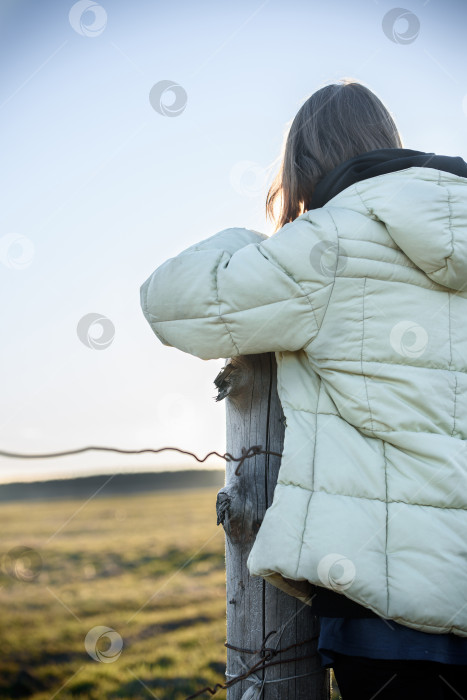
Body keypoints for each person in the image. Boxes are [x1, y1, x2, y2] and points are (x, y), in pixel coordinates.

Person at [140, 78, 467, 698]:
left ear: (303, 165)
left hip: (392, 617)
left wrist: (262, 239)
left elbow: (171, 302)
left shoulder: (330, 244)